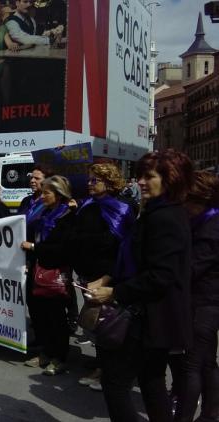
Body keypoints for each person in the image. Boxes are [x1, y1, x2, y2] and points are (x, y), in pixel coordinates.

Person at [89, 150, 193, 422]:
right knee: (152, 381)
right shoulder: (156, 212)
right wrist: (108, 277)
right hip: (152, 317)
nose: (141, 183)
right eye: (140, 177)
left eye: (150, 177)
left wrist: (114, 292)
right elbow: (134, 256)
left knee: (116, 382)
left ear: (170, 180)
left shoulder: (165, 217)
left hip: (149, 317)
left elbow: (161, 276)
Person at [68, 163, 133, 390]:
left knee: (109, 325)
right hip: (87, 274)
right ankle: (102, 364)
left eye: (94, 180)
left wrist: (107, 278)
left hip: (108, 276)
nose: (89, 183)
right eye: (89, 179)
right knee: (95, 325)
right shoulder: (87, 205)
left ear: (109, 182)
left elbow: (122, 247)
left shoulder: (122, 208)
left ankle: (107, 372)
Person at [20, 175, 75, 375]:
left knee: (56, 317)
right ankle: (45, 352)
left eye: (47, 193)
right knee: (39, 315)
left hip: (55, 273)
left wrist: (34, 247)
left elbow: (62, 249)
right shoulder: (43, 215)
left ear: (58, 195)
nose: (42, 196)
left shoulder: (67, 216)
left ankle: (59, 357)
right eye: (42, 192)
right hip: (37, 270)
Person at [175, 171, 219, 422]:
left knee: (192, 366)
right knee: (206, 362)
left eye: (186, 201)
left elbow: (193, 267)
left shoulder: (211, 227)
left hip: (205, 303)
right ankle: (211, 413)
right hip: (206, 301)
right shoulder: (206, 221)